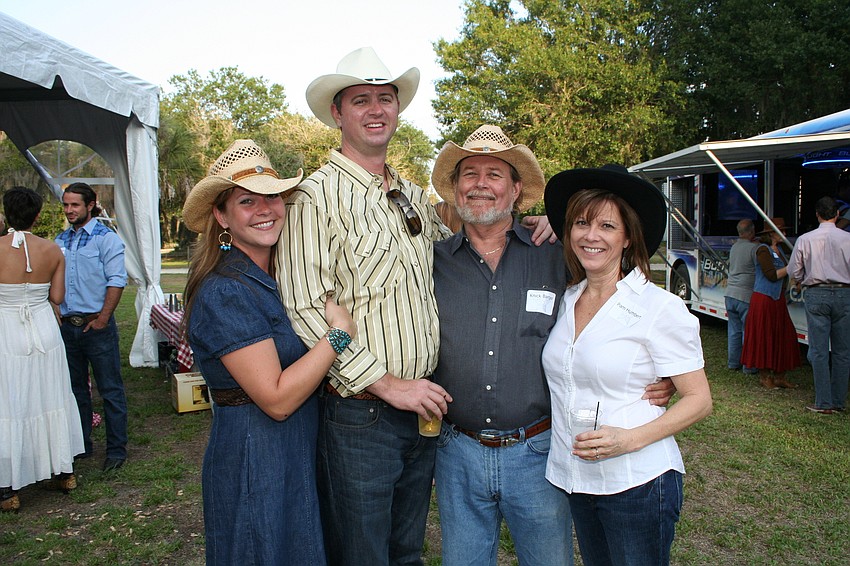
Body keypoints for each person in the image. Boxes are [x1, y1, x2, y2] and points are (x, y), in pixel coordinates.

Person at [281, 48, 553, 565]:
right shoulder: (314, 198)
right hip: (363, 414)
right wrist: (386, 384)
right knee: (363, 554)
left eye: (386, 98)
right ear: (338, 113)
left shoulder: (406, 193)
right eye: (361, 100)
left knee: (406, 551)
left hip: (424, 415)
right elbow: (307, 307)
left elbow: (469, 236)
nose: (376, 109)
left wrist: (542, 223)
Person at [429, 127, 677, 566]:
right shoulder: (429, 261)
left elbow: (622, 303)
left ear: (517, 189)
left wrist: (664, 374)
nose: (480, 184)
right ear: (455, 187)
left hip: (537, 451)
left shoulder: (558, 254)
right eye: (469, 174)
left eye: (494, 174)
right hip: (457, 451)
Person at [182, 140, 356, 564]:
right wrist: (338, 334)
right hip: (254, 455)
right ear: (221, 216)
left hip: (293, 449)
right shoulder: (226, 291)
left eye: (272, 196)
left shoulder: (278, 278)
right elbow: (276, 399)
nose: (265, 208)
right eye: (246, 201)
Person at [542, 165, 712, 566]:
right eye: (581, 223)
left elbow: (699, 400)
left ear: (628, 237)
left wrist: (630, 439)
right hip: (577, 477)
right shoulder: (566, 300)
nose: (591, 235)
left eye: (606, 225)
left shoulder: (658, 306)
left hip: (637, 480)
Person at [1, 187, 85, 512]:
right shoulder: (53, 250)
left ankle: (8, 489)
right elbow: (58, 297)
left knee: (9, 401)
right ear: (37, 216)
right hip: (44, 331)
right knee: (50, 395)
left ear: (7, 212)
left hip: (6, 332)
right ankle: (64, 472)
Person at [55, 182, 128, 472]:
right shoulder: (61, 240)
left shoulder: (105, 239)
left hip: (96, 327)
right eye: (66, 205)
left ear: (90, 204)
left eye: (74, 205)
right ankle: (82, 445)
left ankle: (116, 450)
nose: (69, 210)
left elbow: (116, 280)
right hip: (67, 327)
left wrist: (102, 318)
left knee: (110, 389)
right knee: (75, 391)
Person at [786, 196, 850, 414]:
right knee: (842, 351)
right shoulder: (847, 238)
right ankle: (839, 401)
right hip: (844, 293)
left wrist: (802, 278)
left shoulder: (805, 239)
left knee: (819, 350)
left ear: (817, 214)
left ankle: (823, 401)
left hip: (816, 292)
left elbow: (793, 270)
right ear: (838, 214)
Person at [740, 218, 800, 389]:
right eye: (782, 230)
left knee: (783, 334)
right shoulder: (762, 250)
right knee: (764, 335)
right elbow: (771, 275)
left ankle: (780, 375)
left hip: (777, 298)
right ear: (771, 233)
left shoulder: (779, 249)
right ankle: (765, 375)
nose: (785, 234)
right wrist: (790, 268)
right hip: (764, 299)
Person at [724, 219, 759, 374]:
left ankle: (733, 363)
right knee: (748, 331)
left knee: (734, 330)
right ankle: (749, 366)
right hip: (746, 295)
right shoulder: (755, 249)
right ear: (751, 232)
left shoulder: (734, 247)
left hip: (730, 294)